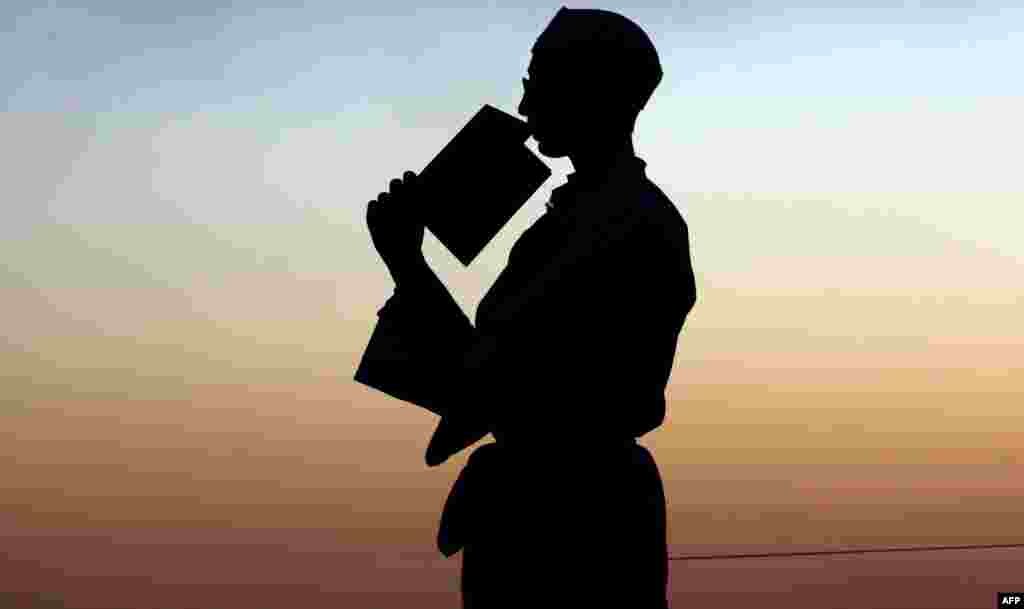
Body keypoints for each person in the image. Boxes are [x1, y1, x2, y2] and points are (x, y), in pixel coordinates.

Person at [362, 7, 696, 608]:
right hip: (556, 507)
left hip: (571, 520)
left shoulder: (623, 224)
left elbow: (498, 380)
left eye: (537, 81)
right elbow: (494, 379)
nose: (523, 105)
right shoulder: (592, 217)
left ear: (589, 90)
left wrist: (407, 265)